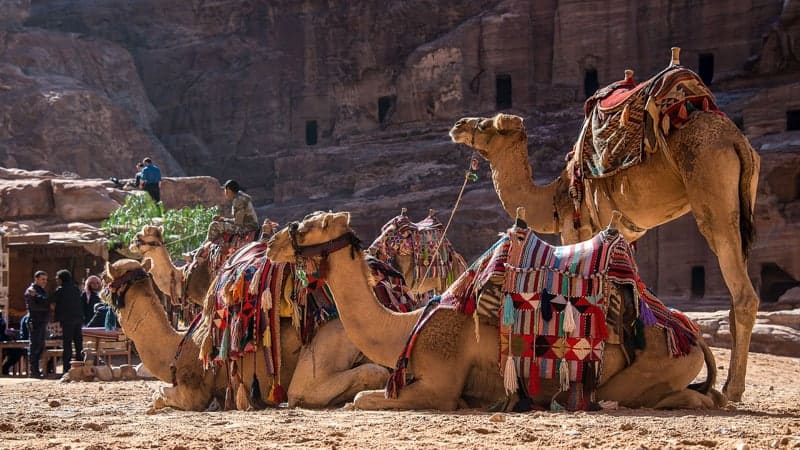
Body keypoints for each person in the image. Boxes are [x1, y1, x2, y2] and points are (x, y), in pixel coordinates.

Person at [53, 270, 84, 374]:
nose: (56, 280)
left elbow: (49, 300)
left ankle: (66, 369)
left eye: (57, 278)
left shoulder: (60, 290)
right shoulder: (76, 289)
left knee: (67, 345)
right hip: (78, 320)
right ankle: (81, 368)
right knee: (78, 344)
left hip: (67, 321)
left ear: (61, 279)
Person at [24, 271, 52, 378]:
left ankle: (37, 370)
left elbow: (45, 302)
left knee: (40, 346)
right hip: (35, 321)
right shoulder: (31, 291)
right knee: (35, 346)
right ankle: (33, 371)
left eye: (46, 279)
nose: (45, 281)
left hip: (42, 321)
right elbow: (33, 307)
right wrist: (47, 306)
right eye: (42, 279)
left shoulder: (40, 291)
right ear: (36, 279)